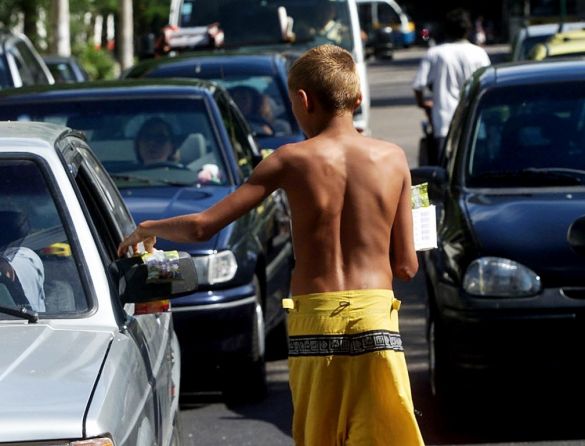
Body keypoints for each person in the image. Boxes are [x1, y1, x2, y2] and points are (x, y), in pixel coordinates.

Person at [118, 44, 424, 446]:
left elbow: (203, 228)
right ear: (358, 98)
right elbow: (406, 266)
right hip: (376, 321)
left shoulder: (289, 160)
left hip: (316, 321)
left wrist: (149, 227)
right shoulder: (394, 158)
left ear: (302, 99)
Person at [413, 8, 490, 164]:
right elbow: (488, 86)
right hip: (475, 126)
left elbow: (418, 85)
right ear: (468, 30)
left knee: (442, 170)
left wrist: (423, 103)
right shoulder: (479, 54)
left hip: (444, 124)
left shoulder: (435, 54)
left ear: (446, 30)